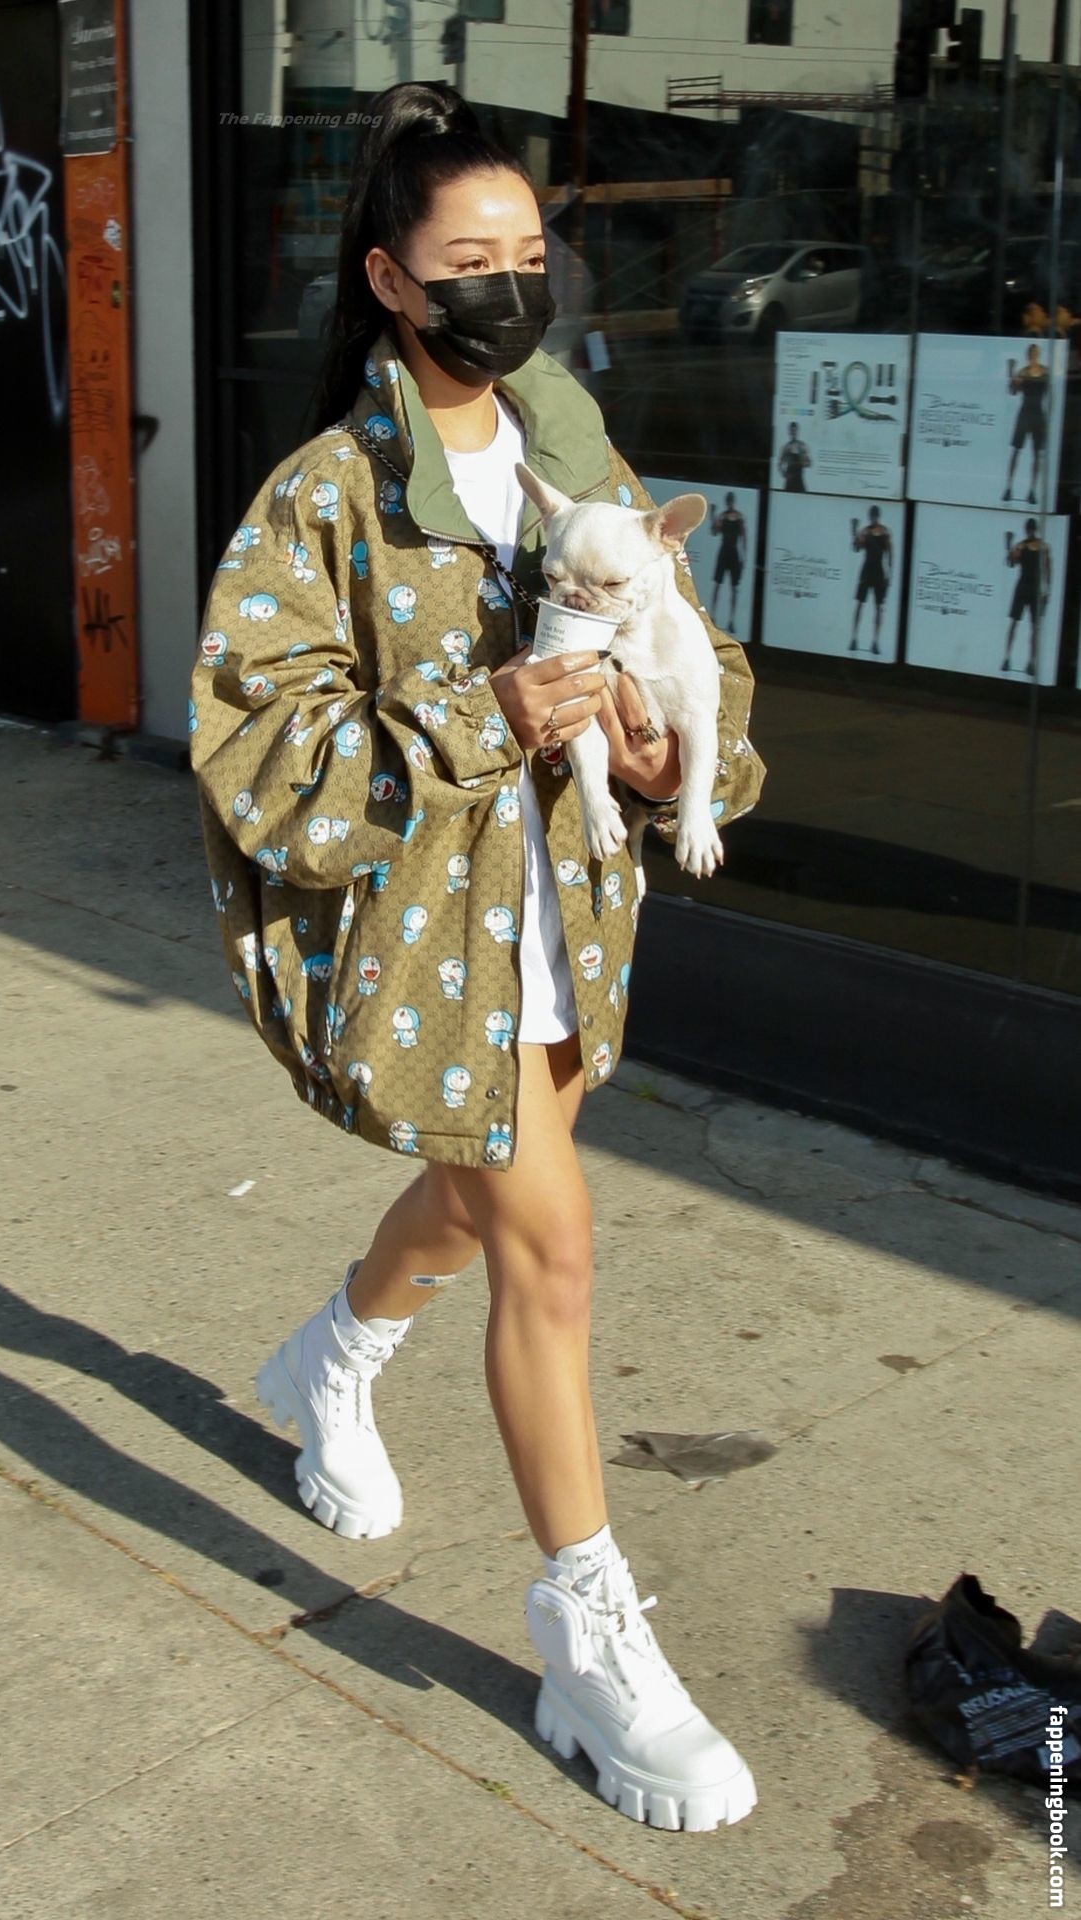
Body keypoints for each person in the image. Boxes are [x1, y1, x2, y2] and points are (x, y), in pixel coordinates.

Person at [188, 80, 757, 1835]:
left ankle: (332, 1356)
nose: (510, 287)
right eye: (469, 260)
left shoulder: (579, 455)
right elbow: (259, 759)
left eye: (530, 253)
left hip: (570, 919)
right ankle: (588, 1635)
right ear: (389, 278)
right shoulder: (324, 498)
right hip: (433, 938)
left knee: (480, 1186)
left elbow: (699, 662)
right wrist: (478, 712)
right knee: (550, 1247)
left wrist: (670, 761)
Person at [1002, 518, 1050, 676]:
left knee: (1030, 626)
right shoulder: (1028, 546)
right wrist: (1009, 548)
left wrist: (1047, 591)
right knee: (1018, 623)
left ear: (1030, 529)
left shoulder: (1035, 546)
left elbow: (1046, 568)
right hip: (1028, 587)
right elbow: (1012, 563)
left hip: (1029, 587)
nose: (1029, 531)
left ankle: (1029, 662)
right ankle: (1009, 658)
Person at [1003, 343, 1048, 504]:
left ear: (1038, 354)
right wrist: (1011, 374)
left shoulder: (1045, 371)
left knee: (1037, 453)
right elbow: (1013, 391)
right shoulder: (1023, 372)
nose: (1033, 355)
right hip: (1025, 412)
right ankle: (1008, 487)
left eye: (1035, 352)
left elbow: (1049, 393)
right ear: (1028, 355)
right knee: (1016, 450)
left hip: (1038, 413)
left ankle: (1032, 490)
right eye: (1031, 353)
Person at [849, 505, 892, 655]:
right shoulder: (866, 532)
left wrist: (889, 575)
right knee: (860, 604)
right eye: (872, 515)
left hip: (878, 571)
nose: (873, 517)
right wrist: (854, 531)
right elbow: (857, 548)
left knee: (878, 607)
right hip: (867, 570)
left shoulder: (884, 532)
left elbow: (890, 553)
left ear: (877, 516)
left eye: (874, 515)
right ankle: (854, 638)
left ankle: (875, 642)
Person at [710, 491, 746, 631]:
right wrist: (712, 515)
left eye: (731, 501)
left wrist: (743, 558)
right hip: (724, 551)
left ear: (733, 502)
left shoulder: (739, 517)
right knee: (718, 584)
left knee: (734, 588)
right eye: (728, 501)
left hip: (733, 552)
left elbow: (744, 538)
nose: (729, 503)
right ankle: (712, 616)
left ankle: (731, 620)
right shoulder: (722, 516)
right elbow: (715, 531)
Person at [778, 421, 810, 491]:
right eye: (792, 431)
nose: (793, 433)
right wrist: (784, 474)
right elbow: (779, 464)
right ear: (789, 432)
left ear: (797, 431)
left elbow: (809, 463)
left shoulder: (802, 446)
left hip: (799, 480)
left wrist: (803, 458)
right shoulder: (786, 447)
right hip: (789, 482)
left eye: (795, 431)